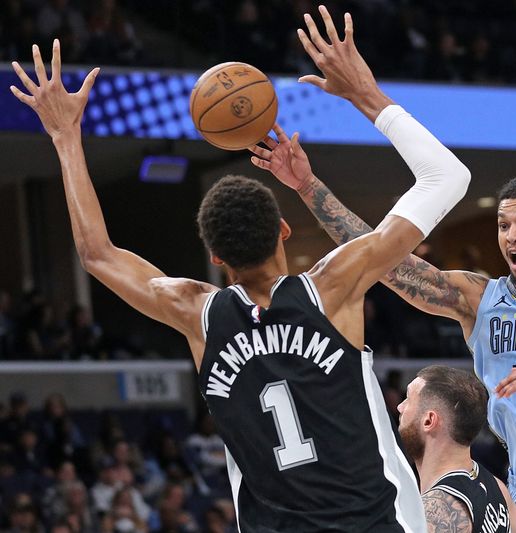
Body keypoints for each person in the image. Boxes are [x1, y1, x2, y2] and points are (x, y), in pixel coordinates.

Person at [9, 4, 471, 530]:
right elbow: (446, 178)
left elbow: (97, 254)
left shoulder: (195, 311)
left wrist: (65, 137)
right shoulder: (334, 285)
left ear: (216, 257)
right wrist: (363, 94)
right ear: (284, 231)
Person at [254, 143, 516, 530]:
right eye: (504, 225)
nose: (512, 236)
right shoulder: (479, 298)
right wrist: (308, 186)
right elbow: (386, 263)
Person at [397, 365, 516, 533]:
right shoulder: (495, 486)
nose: (400, 407)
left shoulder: (439, 511)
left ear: (428, 421)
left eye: (408, 399)